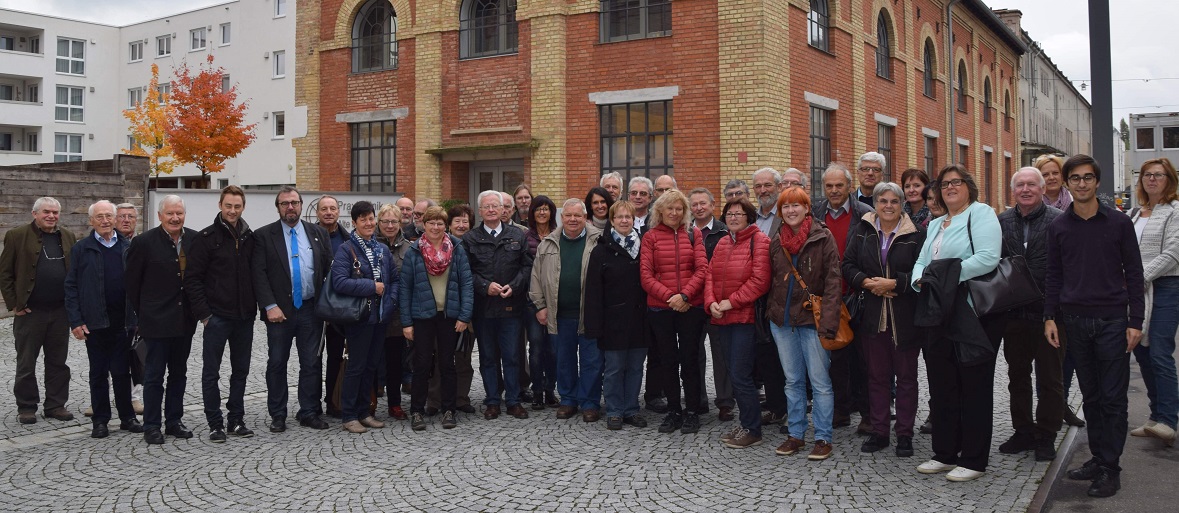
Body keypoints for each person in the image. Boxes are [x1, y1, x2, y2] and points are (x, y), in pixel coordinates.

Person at [1045, 154, 1144, 498]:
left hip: (1113, 322)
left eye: (1088, 177)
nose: (1082, 183)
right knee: (1091, 395)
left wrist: (1136, 321)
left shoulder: (1118, 223)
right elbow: (1053, 276)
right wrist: (1049, 317)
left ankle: (1110, 468)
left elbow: (1134, 272)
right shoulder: (1058, 227)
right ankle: (1099, 458)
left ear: (1097, 182)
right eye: (1076, 178)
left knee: (1113, 397)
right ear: (1067, 183)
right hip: (1073, 321)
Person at [911, 165, 1002, 482]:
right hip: (939, 313)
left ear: (969, 186)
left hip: (971, 314)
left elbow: (989, 257)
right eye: (944, 183)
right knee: (943, 385)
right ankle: (945, 453)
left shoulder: (981, 213)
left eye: (956, 182)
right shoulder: (936, 224)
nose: (949, 187)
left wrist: (941, 278)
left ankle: (974, 459)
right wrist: (920, 280)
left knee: (974, 387)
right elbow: (922, 262)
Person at [842, 182, 927, 457]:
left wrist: (895, 283)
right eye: (883, 201)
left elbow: (923, 272)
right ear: (875, 203)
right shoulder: (862, 231)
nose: (888, 206)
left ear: (902, 204)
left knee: (906, 379)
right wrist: (867, 283)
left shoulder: (917, 234)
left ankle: (904, 434)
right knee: (876, 378)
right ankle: (879, 431)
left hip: (905, 318)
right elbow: (847, 266)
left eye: (893, 201)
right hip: (872, 316)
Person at [993, 168, 1066, 461]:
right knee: (1017, 375)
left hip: (1051, 315)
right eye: (1020, 185)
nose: (1025, 189)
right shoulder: (1001, 221)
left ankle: (1046, 434)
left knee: (1050, 379)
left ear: (1042, 189)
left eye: (1031, 185)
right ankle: (1022, 431)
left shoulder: (1059, 221)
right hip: (1014, 315)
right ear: (1013, 191)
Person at [767, 186, 840, 461]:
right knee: (793, 381)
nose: (791, 210)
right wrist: (770, 315)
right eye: (786, 206)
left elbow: (834, 282)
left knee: (820, 383)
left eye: (796, 205)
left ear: (807, 208)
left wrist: (829, 322)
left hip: (812, 320)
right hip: (783, 322)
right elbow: (771, 281)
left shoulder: (823, 237)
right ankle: (796, 434)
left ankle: (822, 437)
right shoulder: (777, 240)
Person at [252, 186, 333, 433]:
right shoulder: (264, 236)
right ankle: (278, 414)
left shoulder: (318, 233)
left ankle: (308, 411)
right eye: (285, 203)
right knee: (277, 362)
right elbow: (258, 274)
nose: (290, 207)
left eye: (295, 203)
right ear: (278, 207)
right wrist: (269, 306)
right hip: (280, 312)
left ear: (301, 205)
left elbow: (327, 270)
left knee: (312, 362)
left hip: (311, 309)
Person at [64, 200, 143, 438]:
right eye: (100, 217)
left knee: (122, 372)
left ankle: (127, 417)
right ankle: (100, 420)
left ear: (116, 218)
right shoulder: (82, 248)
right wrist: (76, 321)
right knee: (98, 373)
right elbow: (71, 286)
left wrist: (139, 317)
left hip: (123, 322)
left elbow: (138, 284)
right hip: (95, 323)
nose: (105, 221)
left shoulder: (128, 246)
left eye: (109, 216)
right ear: (91, 221)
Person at [185, 186, 257, 442]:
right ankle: (215, 423)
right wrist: (205, 315)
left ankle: (235, 419)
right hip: (216, 317)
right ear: (220, 205)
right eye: (228, 206)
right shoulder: (205, 239)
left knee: (241, 370)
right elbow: (192, 280)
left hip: (244, 317)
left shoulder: (250, 237)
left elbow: (257, 275)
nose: (232, 211)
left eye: (237, 206)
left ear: (243, 207)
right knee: (211, 372)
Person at [125, 195, 199, 444]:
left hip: (185, 321)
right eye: (170, 213)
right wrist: (146, 313)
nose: (175, 218)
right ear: (160, 216)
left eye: (179, 213)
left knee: (179, 373)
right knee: (154, 376)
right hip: (155, 322)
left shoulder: (195, 239)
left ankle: (174, 421)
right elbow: (133, 285)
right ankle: (152, 425)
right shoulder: (144, 242)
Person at [1, 197, 77, 424]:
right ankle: (26, 406)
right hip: (30, 312)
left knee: (58, 362)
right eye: (46, 212)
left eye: (55, 212)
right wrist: (15, 304)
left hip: (60, 311)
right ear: (35, 214)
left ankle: (55, 404)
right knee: (26, 362)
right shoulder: (17, 236)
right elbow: (4, 273)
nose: (51, 216)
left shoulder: (68, 236)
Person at [640, 190, 709, 434]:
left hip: (690, 306)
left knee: (690, 360)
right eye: (669, 208)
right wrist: (671, 297)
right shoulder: (650, 237)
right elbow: (646, 276)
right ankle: (673, 411)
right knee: (667, 360)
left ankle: (691, 411)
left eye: (679, 208)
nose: (674, 213)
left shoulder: (694, 233)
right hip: (661, 307)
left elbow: (702, 269)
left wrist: (685, 295)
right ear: (660, 211)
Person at [529, 199, 604, 422]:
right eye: (568, 215)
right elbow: (536, 277)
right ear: (562, 218)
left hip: (590, 315)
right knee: (564, 360)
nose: (573, 219)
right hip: (559, 314)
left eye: (577, 216)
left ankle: (590, 402)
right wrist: (540, 306)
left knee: (592, 360)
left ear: (585, 218)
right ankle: (569, 400)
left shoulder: (598, 240)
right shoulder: (548, 243)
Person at [400, 206, 474, 431]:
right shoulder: (414, 251)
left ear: (446, 225)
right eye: (431, 223)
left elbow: (467, 284)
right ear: (424, 224)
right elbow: (406, 288)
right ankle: (417, 411)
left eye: (440, 223)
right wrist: (406, 322)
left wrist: (464, 315)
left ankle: (449, 409)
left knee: (447, 363)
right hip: (422, 316)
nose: (435, 227)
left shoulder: (457, 248)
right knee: (422, 364)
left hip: (449, 316)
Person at [705, 199, 771, 448]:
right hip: (721, 317)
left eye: (738, 214)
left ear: (749, 216)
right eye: (729, 214)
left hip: (744, 318)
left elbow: (760, 281)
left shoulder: (759, 241)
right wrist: (711, 302)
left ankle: (753, 429)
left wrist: (730, 303)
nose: (733, 218)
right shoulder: (723, 242)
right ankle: (746, 422)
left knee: (742, 374)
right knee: (734, 373)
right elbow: (710, 274)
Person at [813, 163, 874, 432]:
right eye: (829, 186)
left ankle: (868, 414)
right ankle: (841, 410)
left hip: (858, 296)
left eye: (839, 185)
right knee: (835, 358)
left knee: (864, 360)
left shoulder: (866, 214)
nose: (834, 190)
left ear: (850, 186)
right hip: (828, 298)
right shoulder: (815, 212)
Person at [463, 191, 533, 421]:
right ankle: (492, 400)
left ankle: (513, 400)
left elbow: (527, 267)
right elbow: (466, 273)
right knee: (488, 357)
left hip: (512, 307)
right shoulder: (470, 238)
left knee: (513, 356)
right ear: (480, 211)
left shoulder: (518, 235)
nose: (492, 210)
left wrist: (514, 286)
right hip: (483, 309)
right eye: (487, 207)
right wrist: (484, 286)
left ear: (504, 210)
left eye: (496, 206)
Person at [331, 201, 398, 434]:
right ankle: (349, 415)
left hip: (380, 317)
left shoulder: (382, 249)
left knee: (371, 366)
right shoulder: (346, 249)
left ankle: (364, 412)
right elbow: (339, 282)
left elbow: (394, 280)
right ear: (355, 222)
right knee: (356, 367)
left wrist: (390, 301)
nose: (369, 223)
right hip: (359, 318)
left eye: (371, 218)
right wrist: (372, 286)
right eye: (363, 219)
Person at [584, 201, 650, 430]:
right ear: (612, 221)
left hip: (640, 320)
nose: (624, 221)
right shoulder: (601, 250)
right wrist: (594, 325)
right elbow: (593, 291)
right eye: (619, 217)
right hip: (612, 322)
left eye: (628, 217)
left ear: (634, 220)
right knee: (613, 369)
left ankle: (631, 408)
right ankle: (614, 409)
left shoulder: (644, 247)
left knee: (635, 367)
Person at [1128, 157, 1179, 446]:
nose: (1152, 179)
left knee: (1159, 350)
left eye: (1158, 175)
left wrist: (1140, 278)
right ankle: (1155, 416)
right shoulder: (1135, 213)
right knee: (1143, 353)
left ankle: (1169, 421)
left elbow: (1173, 252)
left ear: (1169, 179)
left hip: (1167, 286)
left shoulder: (1175, 210)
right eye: (1147, 175)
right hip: (1139, 290)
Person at [1035, 154, 1082, 428]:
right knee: (1047, 354)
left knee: (1069, 353)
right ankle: (1048, 410)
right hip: (1044, 289)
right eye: (1046, 174)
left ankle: (1061, 403)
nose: (1051, 178)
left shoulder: (1075, 205)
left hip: (1073, 287)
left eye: (1055, 173)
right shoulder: (1031, 204)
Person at [425, 204, 477, 415]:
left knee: (463, 356)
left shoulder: (473, 244)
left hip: (466, 309)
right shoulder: (433, 246)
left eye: (466, 221)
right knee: (439, 358)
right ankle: (435, 400)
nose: (462, 225)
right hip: (440, 312)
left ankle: (460, 398)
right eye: (458, 221)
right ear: (450, 225)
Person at [690, 187, 733, 420]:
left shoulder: (724, 232)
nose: (699, 207)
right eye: (694, 204)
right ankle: (698, 399)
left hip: (718, 303)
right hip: (692, 303)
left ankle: (725, 401)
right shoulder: (684, 233)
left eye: (703, 203)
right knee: (694, 353)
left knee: (721, 353)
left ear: (713, 205)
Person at [376, 203, 411, 421]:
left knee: (396, 361)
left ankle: (395, 404)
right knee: (371, 361)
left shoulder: (409, 248)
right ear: (378, 223)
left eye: (394, 222)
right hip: (373, 313)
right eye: (385, 221)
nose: (390, 226)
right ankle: (369, 401)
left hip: (398, 315)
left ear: (400, 224)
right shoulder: (369, 245)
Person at [524, 196, 559, 410]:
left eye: (546, 209)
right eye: (538, 209)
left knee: (553, 350)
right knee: (536, 348)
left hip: (555, 301)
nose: (542, 213)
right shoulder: (524, 237)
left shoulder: (559, 236)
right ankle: (536, 391)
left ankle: (550, 390)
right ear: (532, 213)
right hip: (532, 302)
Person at [318, 195, 351, 417]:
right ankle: (313, 403)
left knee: (338, 357)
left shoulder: (347, 239)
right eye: (324, 209)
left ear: (339, 212)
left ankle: (335, 400)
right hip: (318, 308)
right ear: (317, 213)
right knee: (314, 359)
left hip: (343, 308)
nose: (329, 212)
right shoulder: (311, 237)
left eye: (333, 208)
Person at [114, 203, 145, 415]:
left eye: (131, 217)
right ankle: (107, 397)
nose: (126, 220)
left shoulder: (143, 243)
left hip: (137, 308)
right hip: (114, 307)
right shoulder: (108, 242)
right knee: (110, 355)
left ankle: (135, 397)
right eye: (122, 216)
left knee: (137, 354)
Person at [753, 167, 783, 234]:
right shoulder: (750, 218)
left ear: (779, 187)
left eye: (768, 185)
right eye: (758, 186)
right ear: (753, 189)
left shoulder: (786, 215)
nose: (762, 190)